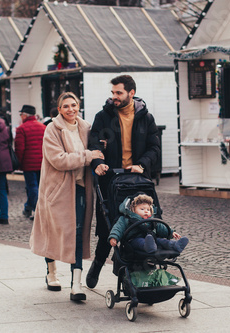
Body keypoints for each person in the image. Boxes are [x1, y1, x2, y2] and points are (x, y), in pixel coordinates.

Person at [86, 74, 161, 288]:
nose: (114, 97)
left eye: (119, 93)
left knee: (140, 225)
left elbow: (154, 147)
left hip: (137, 180)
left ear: (131, 93)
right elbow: (94, 143)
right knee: (108, 226)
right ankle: (98, 263)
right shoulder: (104, 116)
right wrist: (97, 162)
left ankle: (133, 273)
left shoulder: (145, 118)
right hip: (111, 180)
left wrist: (142, 164)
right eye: (113, 93)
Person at [30, 92, 104, 301]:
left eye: (74, 105)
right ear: (59, 109)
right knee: (52, 230)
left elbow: (95, 147)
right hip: (56, 190)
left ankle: (76, 284)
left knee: (78, 232)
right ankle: (51, 272)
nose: (71, 109)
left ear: (78, 105)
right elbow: (59, 160)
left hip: (80, 187)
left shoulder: (85, 127)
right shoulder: (51, 130)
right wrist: (89, 156)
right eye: (66, 106)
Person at [108, 194, 189, 253]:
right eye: (142, 209)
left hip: (152, 239)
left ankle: (175, 245)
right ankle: (148, 246)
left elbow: (161, 227)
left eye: (148, 209)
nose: (146, 211)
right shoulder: (126, 219)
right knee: (140, 242)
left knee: (161, 241)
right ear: (133, 210)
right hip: (133, 240)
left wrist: (171, 232)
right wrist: (114, 237)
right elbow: (118, 228)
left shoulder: (152, 220)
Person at [14, 105, 46, 220]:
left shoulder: (21, 128)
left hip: (29, 164)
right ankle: (29, 207)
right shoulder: (43, 127)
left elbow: (20, 148)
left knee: (32, 187)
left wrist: (18, 162)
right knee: (40, 187)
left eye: (21, 114)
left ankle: (36, 210)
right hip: (42, 163)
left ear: (25, 115)